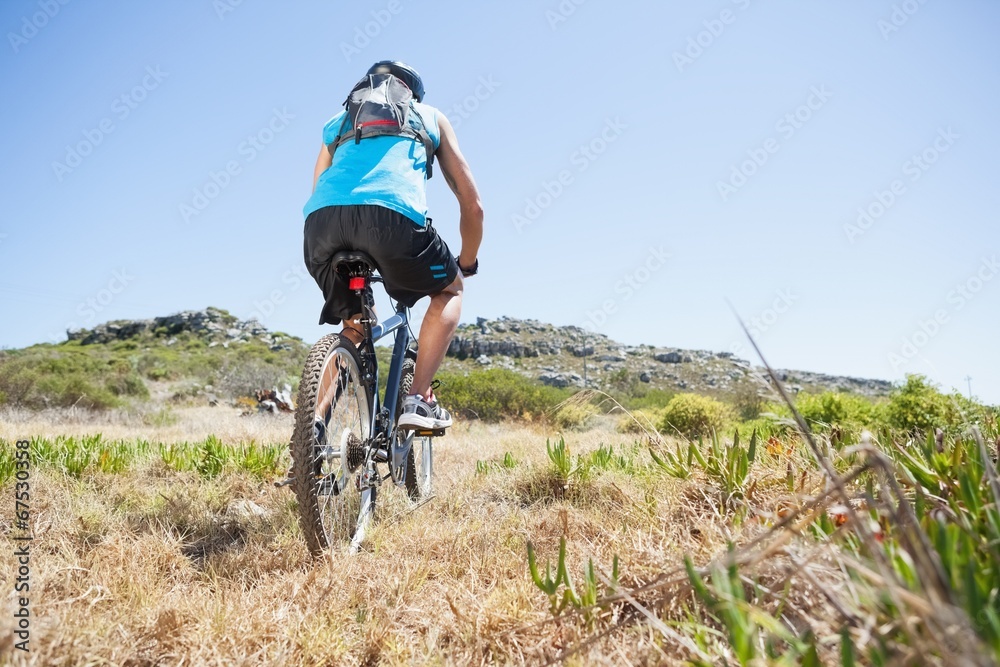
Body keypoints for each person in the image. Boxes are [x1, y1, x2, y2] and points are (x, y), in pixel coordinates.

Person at [302, 60, 483, 430]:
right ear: (411, 93)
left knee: (353, 325)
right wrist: (466, 261)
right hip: (392, 222)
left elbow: (319, 185)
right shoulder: (428, 115)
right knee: (450, 291)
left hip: (321, 225)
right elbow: (472, 205)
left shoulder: (336, 123)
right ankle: (417, 398)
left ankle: (312, 430)